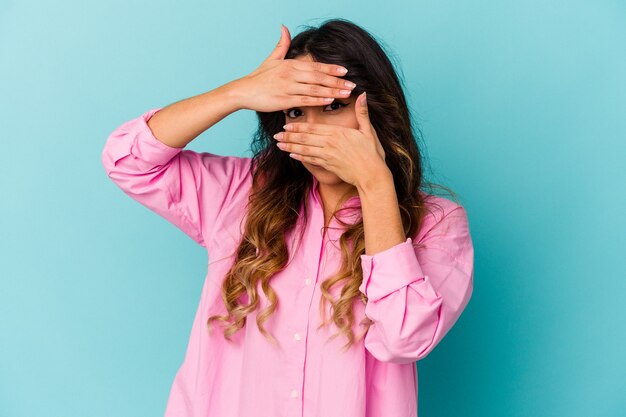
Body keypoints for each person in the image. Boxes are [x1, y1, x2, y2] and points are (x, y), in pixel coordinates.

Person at [101, 18, 474, 417]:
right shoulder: (238, 194)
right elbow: (128, 160)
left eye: (332, 107)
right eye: (296, 111)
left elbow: (404, 339)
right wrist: (237, 93)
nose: (312, 131)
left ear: (377, 109)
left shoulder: (437, 224)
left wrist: (375, 185)